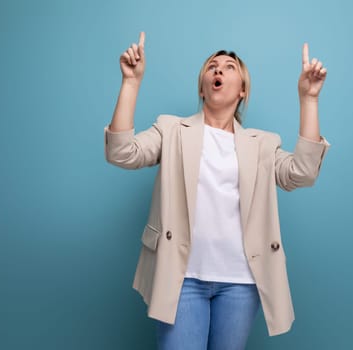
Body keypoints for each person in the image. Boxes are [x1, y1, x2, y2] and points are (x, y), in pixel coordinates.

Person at [105, 32, 330, 350]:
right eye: (212, 66)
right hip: (182, 279)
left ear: (242, 90)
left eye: (228, 67)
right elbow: (122, 153)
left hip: (241, 282)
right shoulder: (171, 130)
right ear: (202, 87)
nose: (219, 70)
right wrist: (130, 83)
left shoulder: (262, 144)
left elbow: (303, 174)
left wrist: (309, 100)